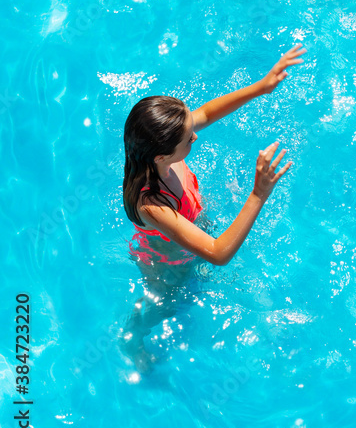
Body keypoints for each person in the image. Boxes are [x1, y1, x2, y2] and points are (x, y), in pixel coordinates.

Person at [123, 45, 304, 268]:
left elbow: (207, 113)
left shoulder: (153, 150)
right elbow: (218, 254)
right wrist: (259, 193)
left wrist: (260, 88)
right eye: (189, 139)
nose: (196, 137)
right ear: (161, 156)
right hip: (168, 260)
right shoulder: (152, 206)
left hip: (189, 220)